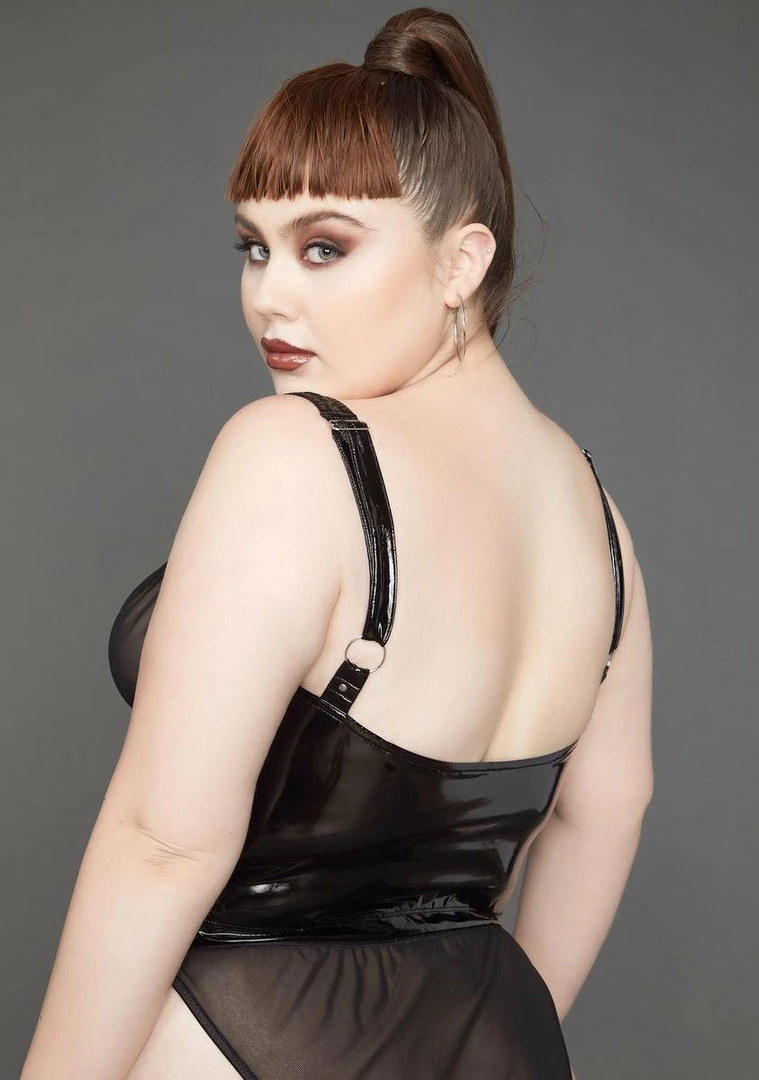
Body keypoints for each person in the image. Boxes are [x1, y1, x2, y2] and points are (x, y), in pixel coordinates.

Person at [20, 7, 653, 1079]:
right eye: (253, 248)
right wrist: (498, 1027)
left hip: (249, 1039)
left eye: (324, 248)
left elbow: (162, 843)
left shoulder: (293, 451)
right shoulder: (596, 515)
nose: (270, 296)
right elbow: (608, 806)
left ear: (461, 262)